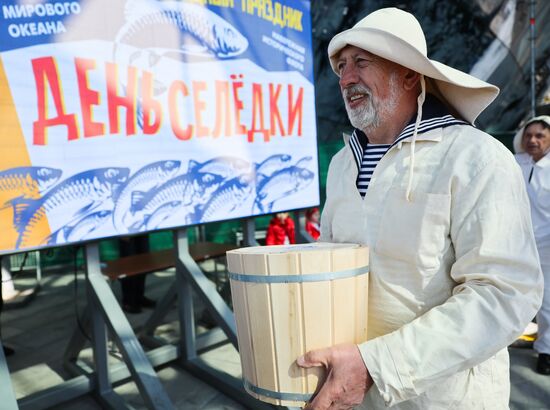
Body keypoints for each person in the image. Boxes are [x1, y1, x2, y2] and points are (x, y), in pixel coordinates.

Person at [296, 8, 543, 410]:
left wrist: (378, 366)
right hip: (352, 392)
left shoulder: (475, 157)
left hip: (444, 400)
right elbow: (332, 266)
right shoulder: (343, 164)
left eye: (361, 62)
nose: (345, 79)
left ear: (410, 74)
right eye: (341, 66)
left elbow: (505, 293)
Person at [513, 115, 550, 375]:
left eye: (540, 136)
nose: (532, 140)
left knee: (548, 302)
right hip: (516, 243)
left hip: (546, 245)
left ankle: (546, 350)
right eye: (528, 135)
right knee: (512, 293)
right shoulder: (516, 162)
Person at [118, 235, 156, 314]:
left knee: (143, 259)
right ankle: (128, 301)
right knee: (129, 262)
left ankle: (139, 297)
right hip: (125, 228)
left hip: (141, 228)